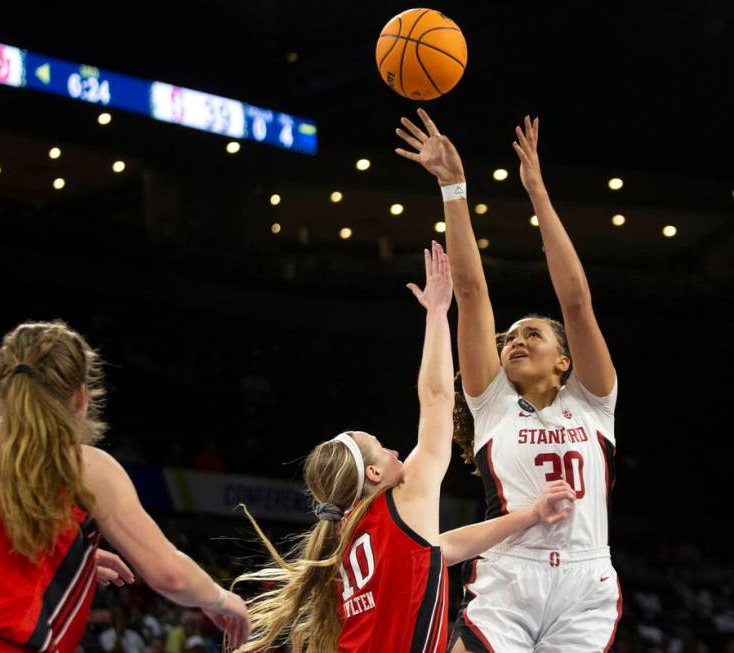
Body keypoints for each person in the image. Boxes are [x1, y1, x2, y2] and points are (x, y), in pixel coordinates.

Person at [233, 244, 576, 653]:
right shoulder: (402, 500)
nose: (396, 452)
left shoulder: (344, 535)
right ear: (373, 475)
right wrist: (436, 313)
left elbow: (444, 548)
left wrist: (531, 515)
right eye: (381, 449)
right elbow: (436, 399)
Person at [0, 321, 250, 651]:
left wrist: (73, 554)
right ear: (81, 397)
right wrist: (221, 600)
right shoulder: (82, 464)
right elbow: (169, 574)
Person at [396, 108, 622, 651]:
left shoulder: (593, 402)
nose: (515, 341)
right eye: (511, 337)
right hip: (508, 578)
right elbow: (472, 296)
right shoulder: (492, 404)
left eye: (533, 335)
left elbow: (576, 301)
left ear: (563, 361)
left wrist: (538, 193)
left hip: (585, 585)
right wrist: (453, 187)